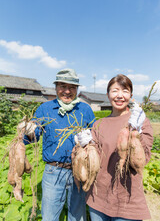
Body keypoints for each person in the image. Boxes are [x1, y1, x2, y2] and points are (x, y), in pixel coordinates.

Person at [20, 68, 95, 221]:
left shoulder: (85, 109)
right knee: (49, 217)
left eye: (72, 87)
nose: (67, 91)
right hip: (53, 171)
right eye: (62, 86)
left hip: (79, 169)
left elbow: (95, 140)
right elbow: (32, 138)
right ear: (55, 88)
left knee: (77, 215)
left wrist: (89, 140)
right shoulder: (45, 109)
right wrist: (28, 131)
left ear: (77, 89)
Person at [84, 74, 153, 221]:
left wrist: (137, 133)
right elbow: (93, 159)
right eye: (115, 91)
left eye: (125, 91)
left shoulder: (140, 121)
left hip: (127, 199)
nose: (120, 95)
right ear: (108, 95)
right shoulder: (99, 123)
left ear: (131, 95)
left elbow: (144, 159)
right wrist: (83, 146)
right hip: (98, 197)